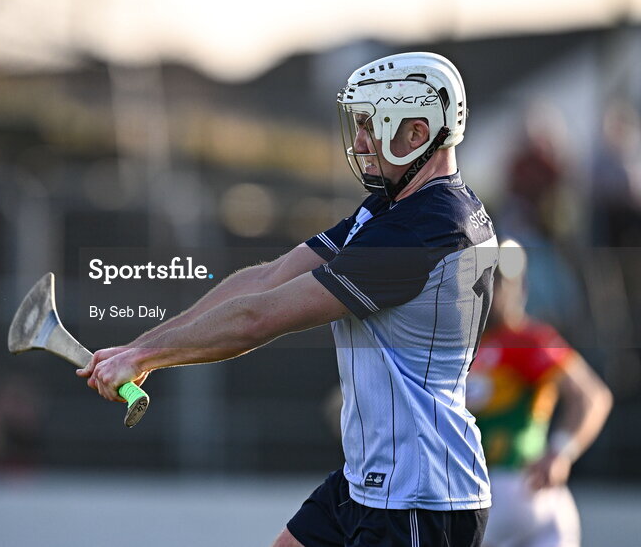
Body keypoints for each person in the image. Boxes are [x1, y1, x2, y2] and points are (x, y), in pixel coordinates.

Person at [79, 52, 496, 546]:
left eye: (371, 124)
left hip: (418, 498)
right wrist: (138, 348)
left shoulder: (419, 231)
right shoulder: (395, 211)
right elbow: (268, 278)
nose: (360, 141)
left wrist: (147, 357)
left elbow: (258, 318)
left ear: (417, 133)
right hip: (370, 479)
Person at [467, 240, 612, 547]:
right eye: (486, 280)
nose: (492, 290)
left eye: (500, 281)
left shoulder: (530, 339)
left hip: (520, 485)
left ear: (519, 286)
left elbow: (592, 397)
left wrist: (561, 451)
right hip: (482, 490)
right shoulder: (464, 343)